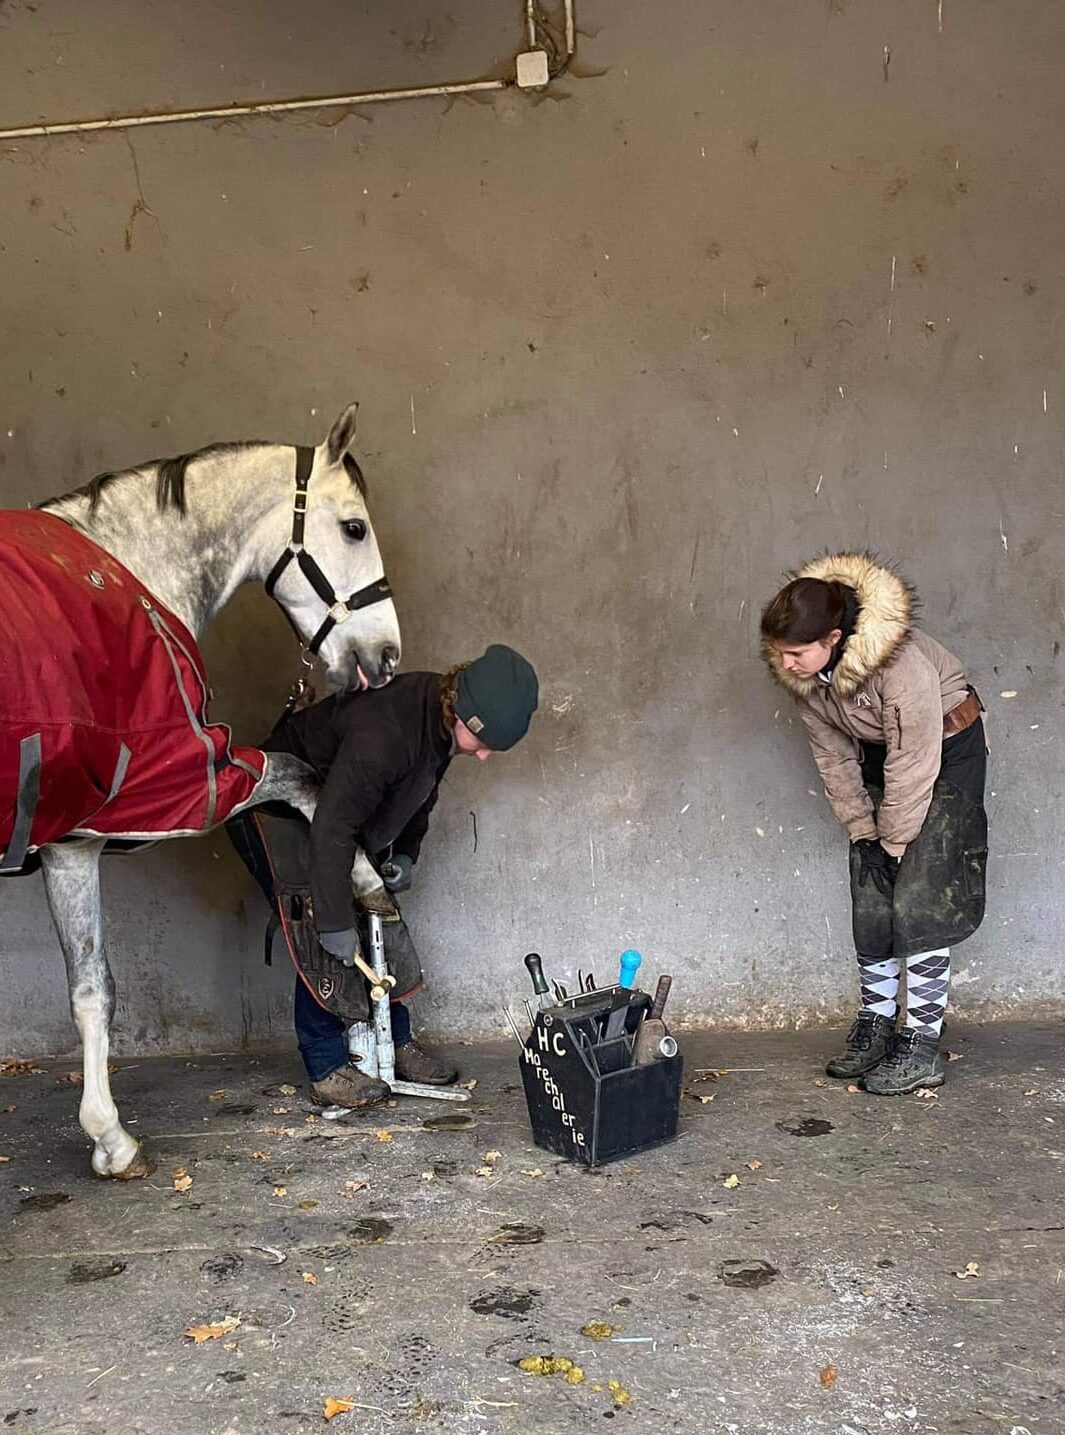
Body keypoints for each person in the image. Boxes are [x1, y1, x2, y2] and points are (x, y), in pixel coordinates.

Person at [238, 643, 538, 1110]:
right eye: (482, 743)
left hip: (332, 813)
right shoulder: (386, 734)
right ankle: (326, 1067)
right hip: (277, 809)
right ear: (462, 711)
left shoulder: (437, 717)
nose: (482, 757)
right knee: (319, 929)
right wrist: (334, 919)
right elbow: (332, 827)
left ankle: (394, 1041)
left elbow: (421, 794)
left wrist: (408, 853)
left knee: (381, 914)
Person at [760, 554, 987, 1094]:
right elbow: (834, 757)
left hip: (946, 752)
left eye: (796, 653)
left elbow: (914, 756)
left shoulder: (898, 662)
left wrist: (896, 839)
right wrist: (865, 832)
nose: (786, 664)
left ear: (834, 637)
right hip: (881, 755)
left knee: (921, 894)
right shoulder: (808, 680)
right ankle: (879, 1024)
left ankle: (922, 1043)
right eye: (779, 652)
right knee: (871, 887)